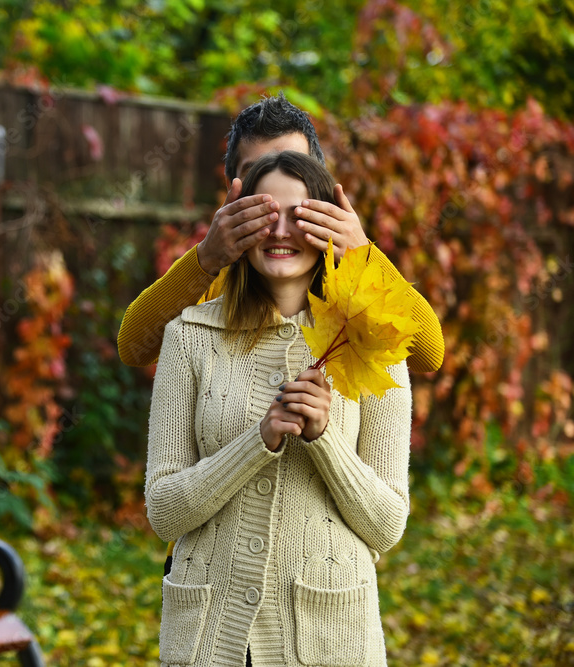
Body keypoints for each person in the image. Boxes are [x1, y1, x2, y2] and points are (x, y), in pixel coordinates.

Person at [117, 93, 443, 577]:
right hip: (212, 572)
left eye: (293, 169)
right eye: (258, 175)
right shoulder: (215, 282)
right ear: (235, 187)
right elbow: (134, 345)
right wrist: (208, 258)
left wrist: (363, 255)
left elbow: (426, 352)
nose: (279, 218)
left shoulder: (348, 298)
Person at [145, 150, 411, 666]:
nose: (281, 231)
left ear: (329, 224)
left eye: (299, 214)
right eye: (266, 214)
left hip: (330, 637)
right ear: (241, 225)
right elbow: (163, 510)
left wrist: (324, 438)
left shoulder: (373, 341)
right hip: (210, 636)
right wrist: (256, 442)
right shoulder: (189, 339)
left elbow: (386, 526)